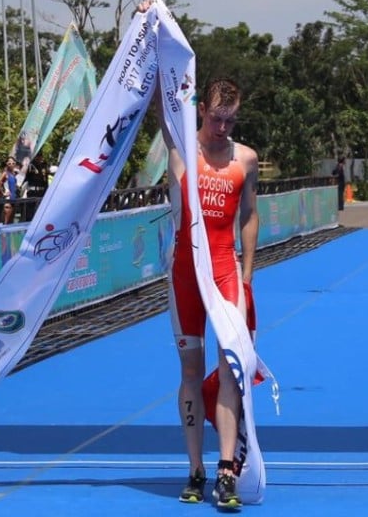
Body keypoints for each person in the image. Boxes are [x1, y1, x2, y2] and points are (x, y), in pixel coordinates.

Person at [160, 76, 259, 510]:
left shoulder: (246, 159)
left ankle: (225, 469)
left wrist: (248, 274)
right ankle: (195, 468)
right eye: (217, 119)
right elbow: (160, 104)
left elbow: (250, 215)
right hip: (185, 275)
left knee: (230, 369)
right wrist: (151, 29)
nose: (223, 128)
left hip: (224, 273)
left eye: (231, 121)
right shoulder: (182, 150)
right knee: (190, 371)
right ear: (202, 110)